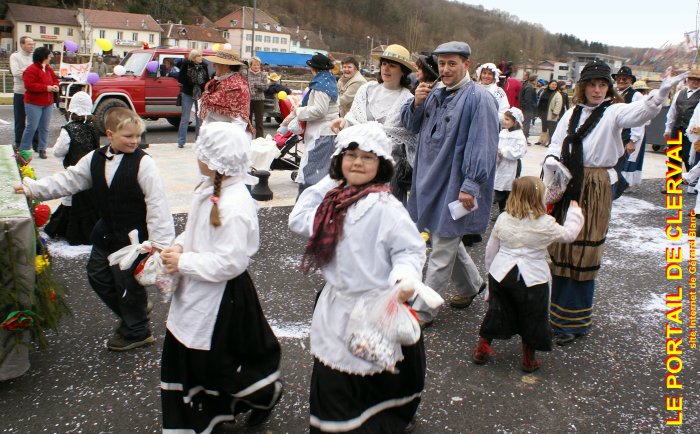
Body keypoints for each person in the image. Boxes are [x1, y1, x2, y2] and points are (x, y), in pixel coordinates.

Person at [288, 122, 427, 433]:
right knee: (335, 376)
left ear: (381, 164)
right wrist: (332, 179)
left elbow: (409, 250)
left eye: (367, 157)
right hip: (336, 307)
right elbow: (298, 219)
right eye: (350, 155)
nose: (358, 163)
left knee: (373, 374)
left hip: (375, 309)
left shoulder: (386, 207)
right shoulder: (333, 202)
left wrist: (403, 278)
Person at [544, 61, 686, 346]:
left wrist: (659, 95)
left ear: (608, 88)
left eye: (602, 85)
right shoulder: (572, 113)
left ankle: (574, 321)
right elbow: (556, 143)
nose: (597, 90)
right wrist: (551, 164)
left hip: (594, 184)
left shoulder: (613, 112)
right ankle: (556, 314)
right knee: (562, 245)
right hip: (567, 180)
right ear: (583, 87)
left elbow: (639, 113)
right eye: (592, 85)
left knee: (583, 249)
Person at [15, 107, 175, 351]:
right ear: (109, 134)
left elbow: (157, 203)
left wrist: (160, 244)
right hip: (105, 232)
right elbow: (69, 180)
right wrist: (33, 188)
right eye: (128, 136)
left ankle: (137, 331)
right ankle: (135, 311)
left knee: (127, 286)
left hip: (133, 239)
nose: (135, 141)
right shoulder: (94, 158)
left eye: (137, 136)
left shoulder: (144, 164)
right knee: (97, 275)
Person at [160, 122, 283, 431]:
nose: (197, 156)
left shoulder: (234, 205)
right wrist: (179, 245)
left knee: (219, 363)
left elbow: (230, 262)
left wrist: (184, 261)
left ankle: (262, 394)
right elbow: (197, 230)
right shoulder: (209, 188)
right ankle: (200, 416)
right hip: (196, 289)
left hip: (222, 298)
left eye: (201, 151)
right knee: (192, 355)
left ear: (216, 160)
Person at [401, 41, 499, 326]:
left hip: (456, 183)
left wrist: (471, 185)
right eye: (441, 63)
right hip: (429, 179)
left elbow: (483, 145)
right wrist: (416, 103)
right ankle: (471, 285)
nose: (445, 69)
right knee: (444, 238)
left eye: (452, 63)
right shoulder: (433, 92)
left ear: (467, 64)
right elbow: (410, 126)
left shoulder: (479, 99)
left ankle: (423, 311)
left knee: (442, 247)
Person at [472, 177, 584, 372]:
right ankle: (528, 359)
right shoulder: (546, 223)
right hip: (533, 277)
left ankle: (481, 350)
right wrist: (575, 213)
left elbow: (491, 249)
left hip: (502, 273)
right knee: (533, 317)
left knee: (497, 311)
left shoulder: (503, 218)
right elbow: (569, 235)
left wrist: (491, 274)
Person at [330, 44, 417, 204]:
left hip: (390, 170)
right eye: (384, 64)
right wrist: (344, 122)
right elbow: (354, 119)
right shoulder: (366, 89)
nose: (386, 69)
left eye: (392, 65)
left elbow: (409, 137)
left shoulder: (408, 100)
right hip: (360, 165)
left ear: (403, 71)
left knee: (385, 212)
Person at [43, 91, 100, 245]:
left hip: (74, 171)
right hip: (90, 171)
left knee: (70, 200)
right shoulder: (93, 127)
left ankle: (70, 232)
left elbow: (58, 151)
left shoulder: (69, 129)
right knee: (88, 203)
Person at [281, 52, 339, 194]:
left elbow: (319, 110)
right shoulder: (328, 80)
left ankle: (309, 203)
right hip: (324, 133)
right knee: (320, 173)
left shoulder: (321, 85)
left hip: (321, 133)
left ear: (314, 69)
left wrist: (299, 111)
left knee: (312, 175)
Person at [199, 50, 253, 135]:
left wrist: (224, 139)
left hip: (226, 137)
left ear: (225, 65)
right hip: (211, 135)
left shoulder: (237, 86)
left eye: (216, 63)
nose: (213, 65)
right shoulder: (216, 82)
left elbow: (240, 123)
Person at [20, 46, 59, 159]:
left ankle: (42, 148)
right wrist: (46, 88)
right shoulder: (31, 69)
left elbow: (55, 79)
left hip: (48, 102)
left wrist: (55, 85)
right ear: (44, 57)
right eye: (49, 56)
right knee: (31, 127)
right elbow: (29, 85)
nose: (50, 58)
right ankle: (24, 150)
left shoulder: (48, 68)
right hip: (33, 103)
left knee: (44, 127)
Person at [665, 69, 700, 190]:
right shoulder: (679, 93)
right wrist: (668, 128)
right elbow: (672, 112)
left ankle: (693, 184)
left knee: (688, 157)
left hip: (692, 132)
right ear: (687, 80)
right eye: (693, 79)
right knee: (673, 156)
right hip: (677, 128)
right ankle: (673, 184)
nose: (695, 82)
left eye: (698, 80)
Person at [611, 66, 644, 198]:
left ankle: (615, 191)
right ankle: (620, 185)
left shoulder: (636, 95)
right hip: (615, 133)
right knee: (612, 163)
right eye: (619, 78)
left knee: (618, 164)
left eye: (624, 79)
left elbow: (639, 118)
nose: (621, 81)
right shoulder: (614, 93)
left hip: (627, 134)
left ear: (631, 80)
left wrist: (633, 140)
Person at [493, 108, 527, 215]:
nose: (504, 121)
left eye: (507, 119)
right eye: (504, 119)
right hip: (501, 164)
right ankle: (501, 209)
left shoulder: (519, 136)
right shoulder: (503, 132)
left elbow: (520, 151)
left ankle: (509, 210)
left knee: (509, 188)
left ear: (515, 121)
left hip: (512, 166)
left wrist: (504, 151)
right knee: (500, 186)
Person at [622, 80, 652, 188]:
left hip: (635, 131)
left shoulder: (639, 98)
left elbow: (642, 120)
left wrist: (634, 138)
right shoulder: (642, 99)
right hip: (634, 131)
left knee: (630, 156)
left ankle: (625, 182)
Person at [177, 49, 209, 148]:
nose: (201, 57)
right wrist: (191, 81)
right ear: (194, 58)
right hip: (187, 92)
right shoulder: (186, 65)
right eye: (199, 56)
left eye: (201, 55)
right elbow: (180, 79)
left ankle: (198, 140)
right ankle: (181, 141)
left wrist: (201, 85)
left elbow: (207, 79)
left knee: (199, 118)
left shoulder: (204, 66)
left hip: (199, 93)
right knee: (185, 118)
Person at [10, 36, 38, 151]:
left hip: (34, 93)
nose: (32, 46)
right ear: (22, 45)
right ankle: (19, 144)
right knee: (20, 120)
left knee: (35, 120)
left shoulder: (35, 57)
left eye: (33, 44)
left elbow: (40, 72)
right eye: (29, 44)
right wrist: (32, 74)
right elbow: (16, 72)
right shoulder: (15, 56)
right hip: (20, 92)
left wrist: (26, 72)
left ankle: (36, 145)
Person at [248, 56, 267, 138]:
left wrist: (255, 85)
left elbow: (266, 87)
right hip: (248, 99)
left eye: (258, 65)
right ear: (250, 65)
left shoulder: (263, 74)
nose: (256, 66)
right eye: (254, 65)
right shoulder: (246, 74)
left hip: (259, 100)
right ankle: (247, 138)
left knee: (259, 122)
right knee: (247, 121)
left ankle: (260, 139)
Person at [519, 74, 538, 140]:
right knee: (526, 124)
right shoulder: (529, 88)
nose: (537, 81)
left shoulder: (526, 85)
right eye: (536, 79)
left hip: (525, 108)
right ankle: (524, 138)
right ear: (534, 80)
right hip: (528, 109)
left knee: (525, 123)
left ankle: (524, 137)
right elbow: (528, 100)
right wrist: (531, 109)